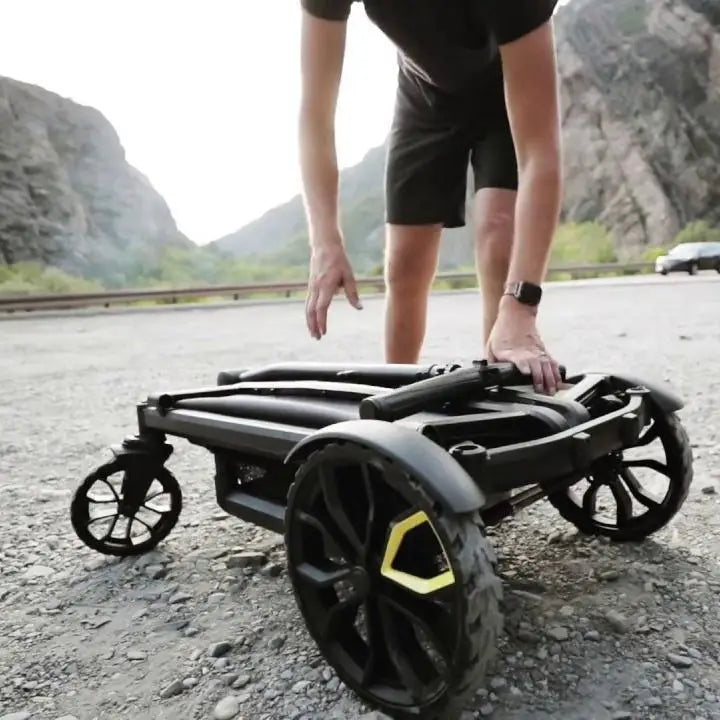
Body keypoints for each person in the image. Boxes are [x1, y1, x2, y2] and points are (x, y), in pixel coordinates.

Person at [298, 0, 564, 394]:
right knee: (405, 262)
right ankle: (395, 396)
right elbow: (316, 114)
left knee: (498, 234)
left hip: (506, 87)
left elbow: (540, 155)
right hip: (425, 95)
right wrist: (324, 241)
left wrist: (522, 305)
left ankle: (506, 377)